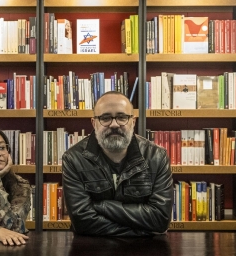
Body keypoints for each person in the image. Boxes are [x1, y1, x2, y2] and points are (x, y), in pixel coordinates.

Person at [62, 91, 173, 236]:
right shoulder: (73, 159)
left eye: (121, 117)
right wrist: (143, 231)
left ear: (133, 121)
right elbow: (82, 221)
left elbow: (160, 219)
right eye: (105, 118)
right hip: (91, 248)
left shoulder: (157, 157)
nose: (114, 124)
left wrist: (101, 206)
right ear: (94, 123)